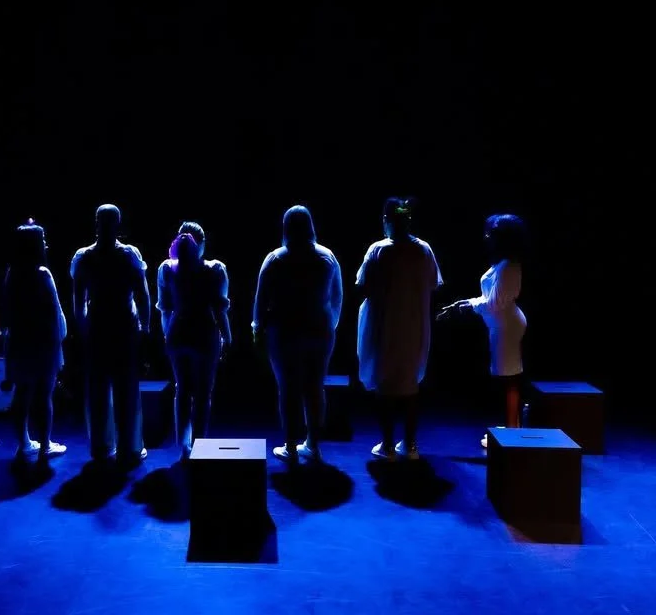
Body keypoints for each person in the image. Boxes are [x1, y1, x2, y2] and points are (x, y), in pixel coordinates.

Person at [253, 205, 343, 463]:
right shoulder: (327, 257)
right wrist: (331, 323)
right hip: (320, 330)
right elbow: (337, 295)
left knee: (288, 389)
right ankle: (313, 444)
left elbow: (260, 300)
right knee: (315, 388)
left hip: (285, 332)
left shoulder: (275, 259)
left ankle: (291, 446)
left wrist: (257, 329)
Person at [356, 198, 443, 461]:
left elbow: (362, 284)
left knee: (385, 385)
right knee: (410, 385)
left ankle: (387, 444)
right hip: (415, 328)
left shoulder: (378, 250)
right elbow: (433, 284)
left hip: (384, 327)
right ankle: (410, 444)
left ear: (386, 220)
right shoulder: (424, 249)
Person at [71, 204, 151, 466]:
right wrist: (145, 327)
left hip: (99, 326)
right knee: (125, 388)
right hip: (123, 327)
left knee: (98, 390)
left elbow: (78, 300)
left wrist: (83, 328)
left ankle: (102, 446)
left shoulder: (84, 256)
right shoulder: (128, 254)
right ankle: (129, 447)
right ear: (118, 224)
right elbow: (142, 294)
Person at [440, 214, 527, 448]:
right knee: (507, 378)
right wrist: (464, 304)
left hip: (506, 327)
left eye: (491, 234)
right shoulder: (502, 264)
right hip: (500, 324)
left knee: (509, 379)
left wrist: (467, 306)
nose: (486, 238)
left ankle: (511, 433)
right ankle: (512, 427)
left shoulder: (509, 266)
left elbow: (495, 302)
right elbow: (490, 299)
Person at [156, 222, 232, 460]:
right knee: (202, 393)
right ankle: (199, 444)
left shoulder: (167, 269)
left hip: (177, 332)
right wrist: (228, 336)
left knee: (182, 389)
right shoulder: (215, 270)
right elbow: (220, 310)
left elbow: (165, 309)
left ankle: (184, 446)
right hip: (205, 333)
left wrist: (167, 335)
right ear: (203, 244)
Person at [5, 221, 68, 468]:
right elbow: (55, 312)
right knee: (44, 394)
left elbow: (9, 310)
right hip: (43, 342)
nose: (46, 244)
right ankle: (45, 445)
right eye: (42, 240)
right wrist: (60, 338)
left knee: (22, 393)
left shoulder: (13, 272)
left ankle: (24, 444)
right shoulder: (42, 273)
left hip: (20, 341)